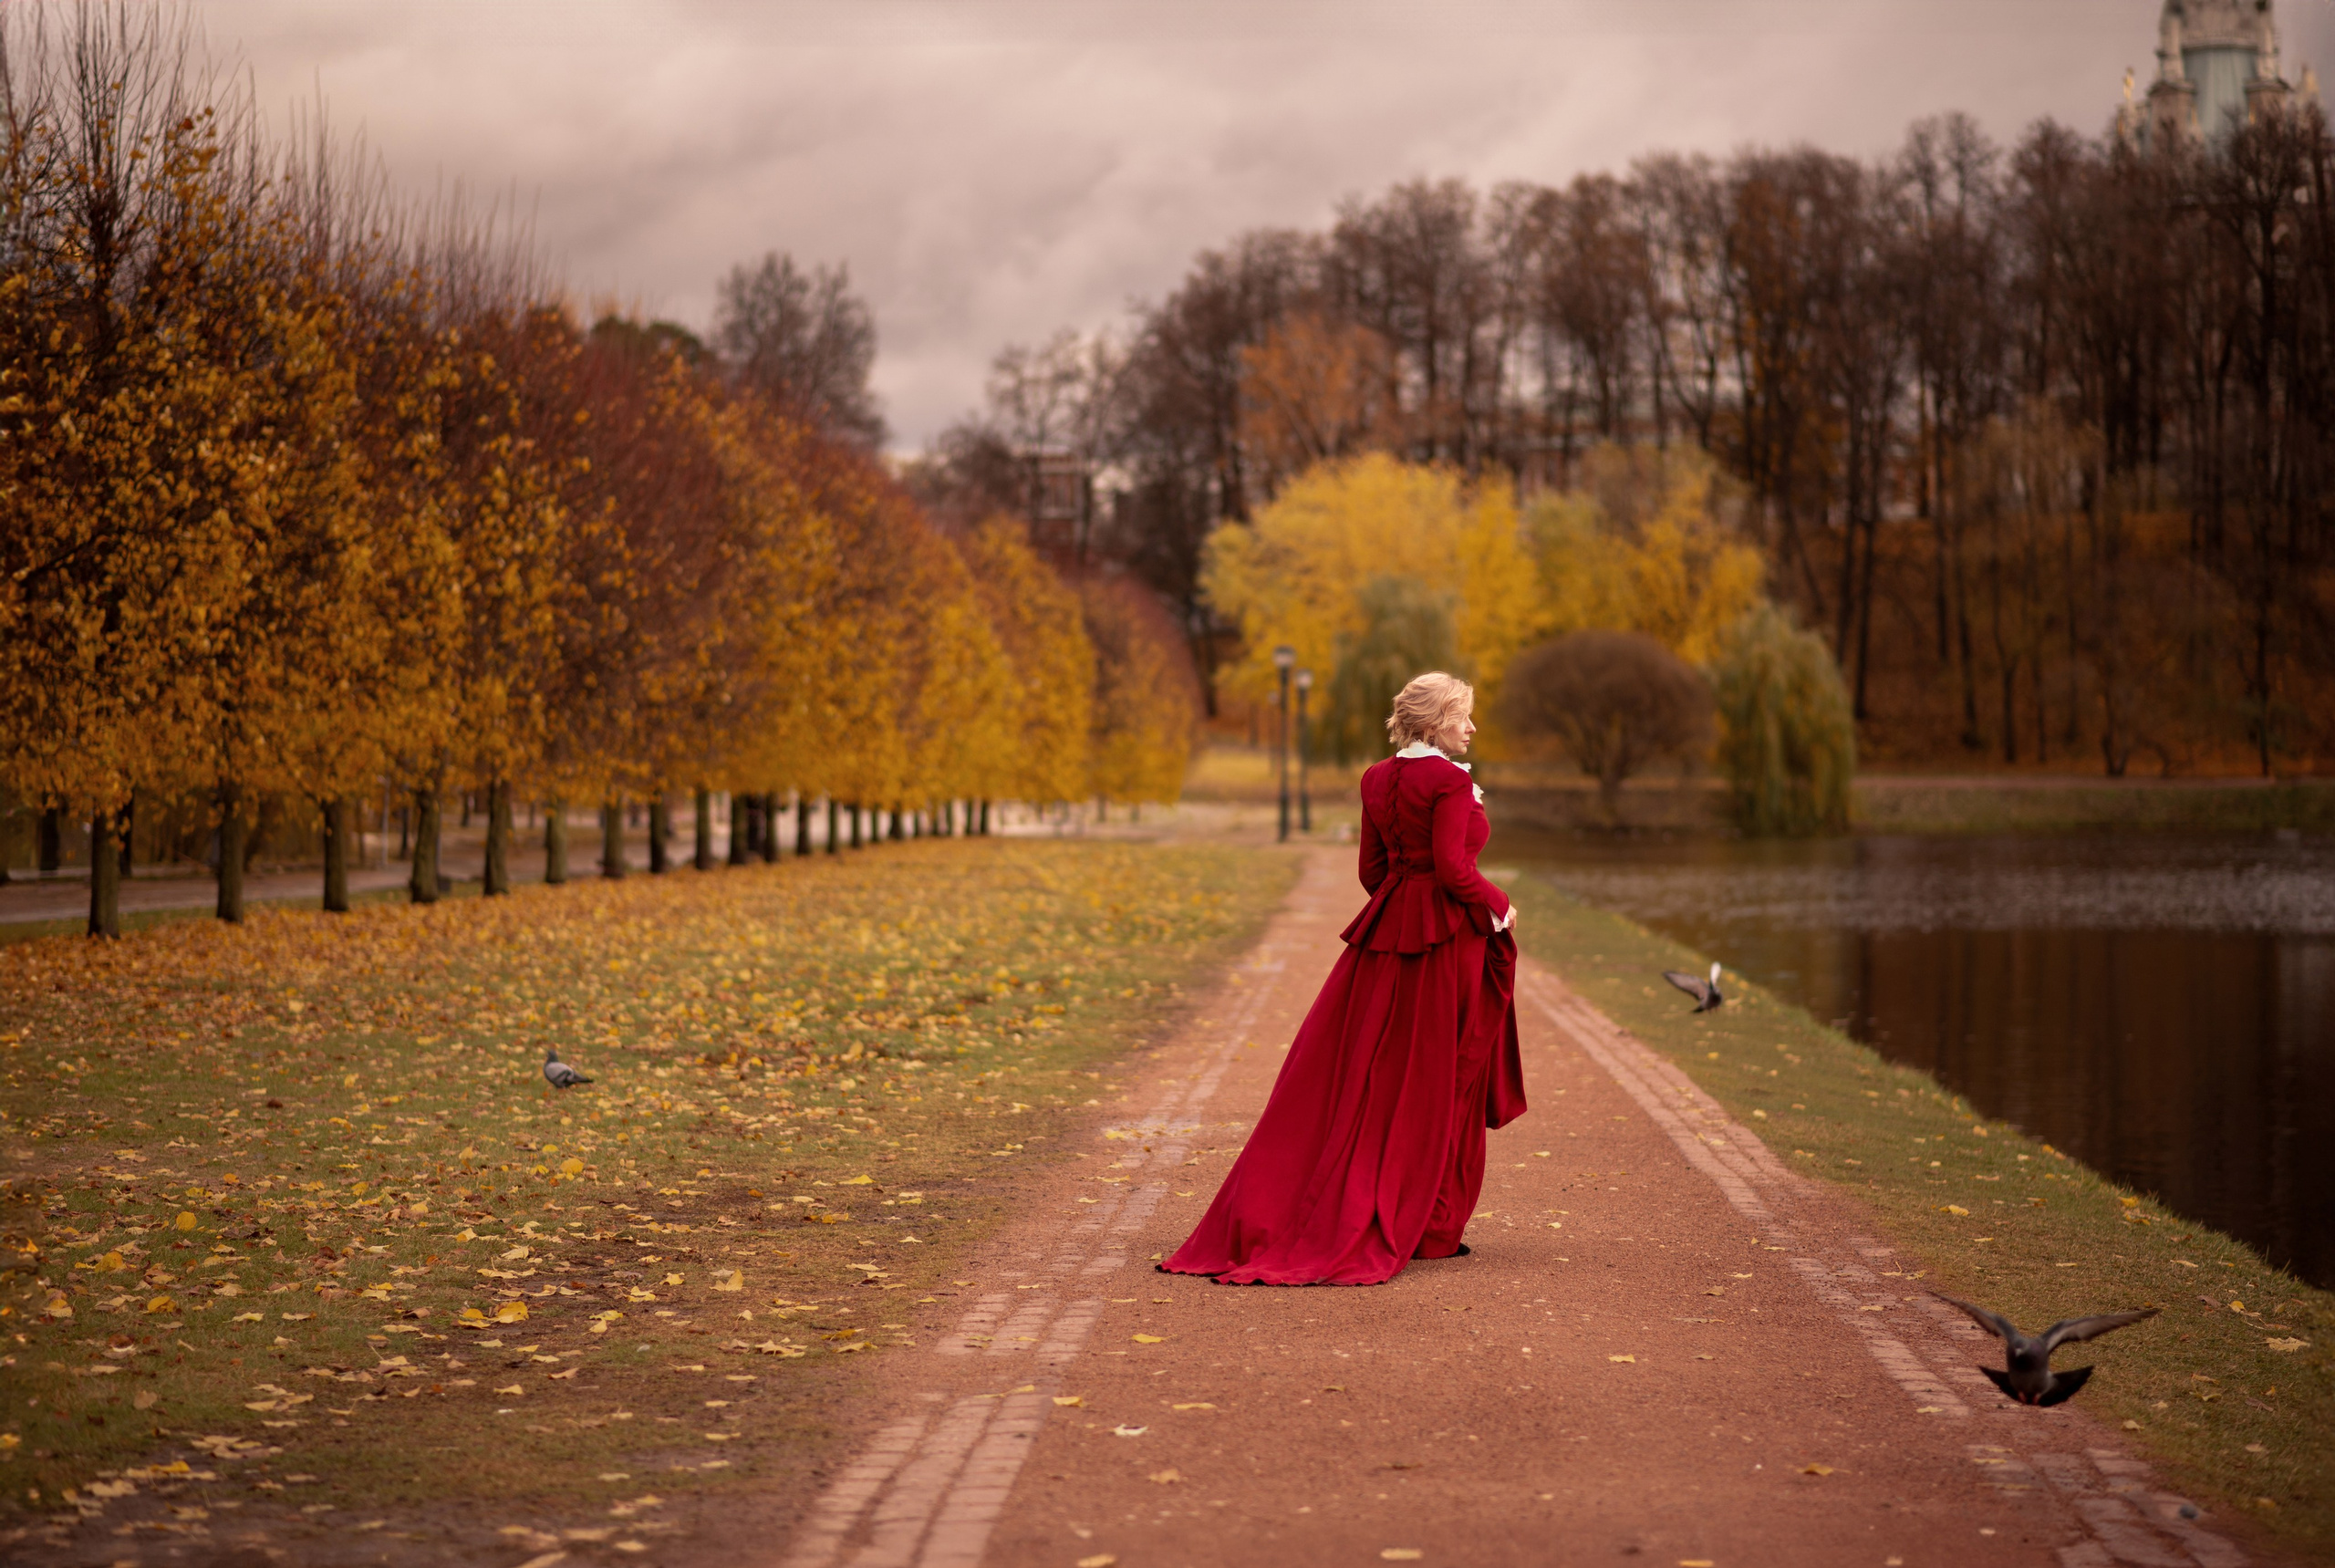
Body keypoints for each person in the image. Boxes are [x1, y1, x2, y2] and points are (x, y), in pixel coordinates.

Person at [1162, 670, 1526, 1286]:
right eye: (1462, 716)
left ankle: (1400, 1212)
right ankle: (1431, 1226)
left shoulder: (1376, 777)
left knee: (1367, 1073)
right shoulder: (1449, 782)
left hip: (1386, 940)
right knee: (1438, 1076)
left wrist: (1403, 910)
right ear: (1435, 721)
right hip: (1446, 947)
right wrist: (1500, 904)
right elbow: (1451, 868)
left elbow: (1372, 871)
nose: (1471, 727)